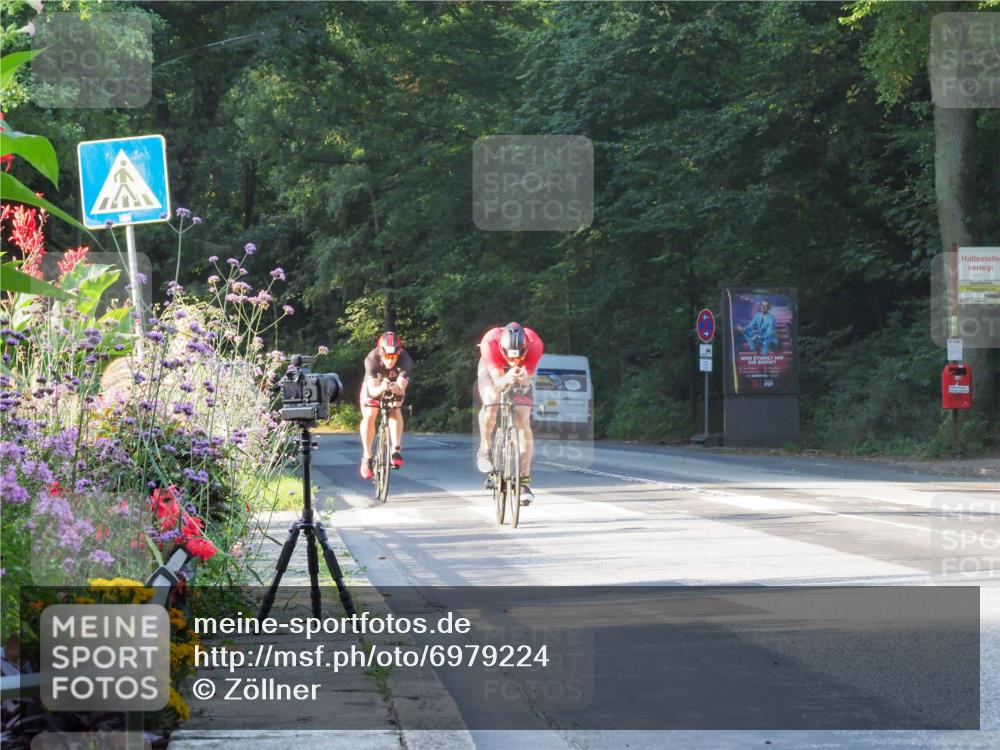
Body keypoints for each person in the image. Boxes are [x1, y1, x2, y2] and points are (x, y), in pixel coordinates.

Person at [476, 322, 544, 505]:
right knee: (491, 400)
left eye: (518, 357)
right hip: (493, 369)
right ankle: (485, 447)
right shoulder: (490, 342)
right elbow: (498, 381)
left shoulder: (535, 344)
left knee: (523, 417)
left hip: (522, 370)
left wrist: (524, 377)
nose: (513, 361)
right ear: (502, 347)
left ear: (525, 348)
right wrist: (506, 378)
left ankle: (524, 483)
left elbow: (527, 377)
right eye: (510, 357)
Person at [359, 332, 413, 479]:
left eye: (393, 357)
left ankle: (396, 450)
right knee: (370, 414)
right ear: (381, 353)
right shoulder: (371, 359)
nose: (390, 361)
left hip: (393, 382)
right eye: (387, 357)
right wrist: (382, 387)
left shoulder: (406, 360)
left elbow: (402, 389)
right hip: (375, 384)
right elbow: (373, 391)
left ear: (399, 353)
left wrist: (397, 389)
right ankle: (367, 457)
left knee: (396, 407)